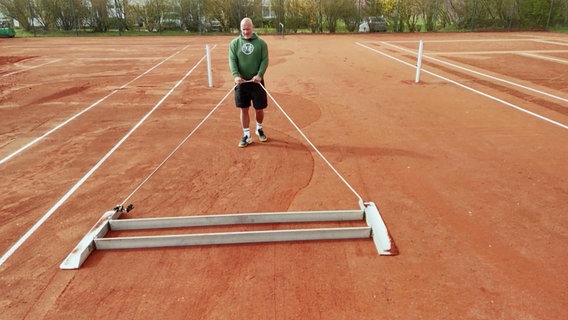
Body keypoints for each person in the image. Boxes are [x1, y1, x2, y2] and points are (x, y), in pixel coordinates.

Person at [229, 17, 269, 148]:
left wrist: (259, 74)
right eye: (243, 29)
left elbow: (264, 60)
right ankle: (246, 135)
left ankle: (259, 128)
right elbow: (232, 60)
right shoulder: (234, 44)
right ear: (240, 29)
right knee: (244, 108)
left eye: (248, 28)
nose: (246, 32)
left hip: (257, 82)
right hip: (241, 83)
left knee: (259, 108)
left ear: (253, 27)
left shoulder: (261, 44)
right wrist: (236, 76)